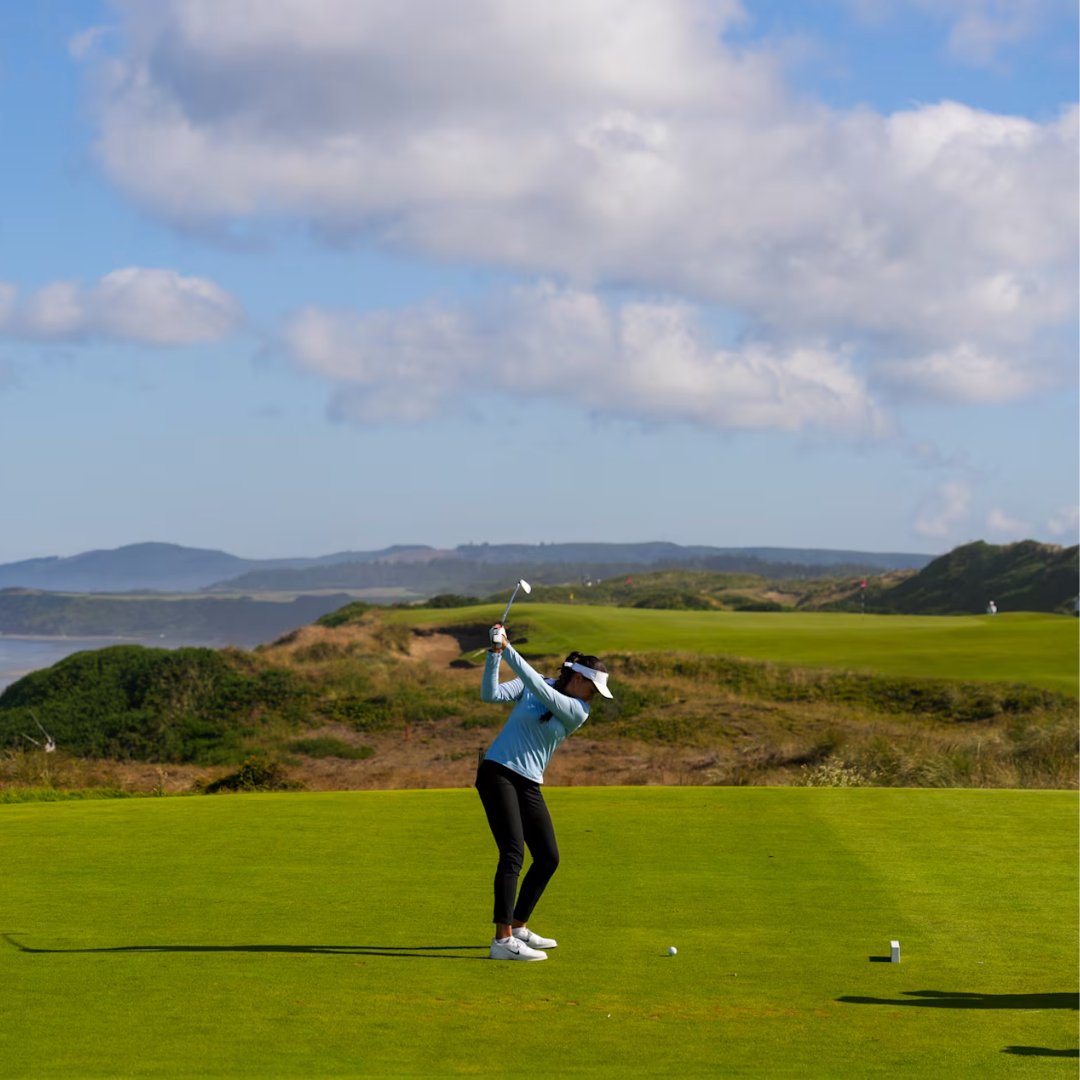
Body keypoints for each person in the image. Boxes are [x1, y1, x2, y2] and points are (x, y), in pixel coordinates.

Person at [475, 622, 612, 961]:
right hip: (497, 773)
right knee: (512, 853)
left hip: (528, 781)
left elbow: (539, 688)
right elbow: (490, 695)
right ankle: (503, 940)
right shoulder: (538, 687)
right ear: (578, 678)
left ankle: (519, 926)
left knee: (548, 857)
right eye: (592, 687)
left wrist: (508, 648)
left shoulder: (578, 711)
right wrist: (495, 656)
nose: (593, 695)